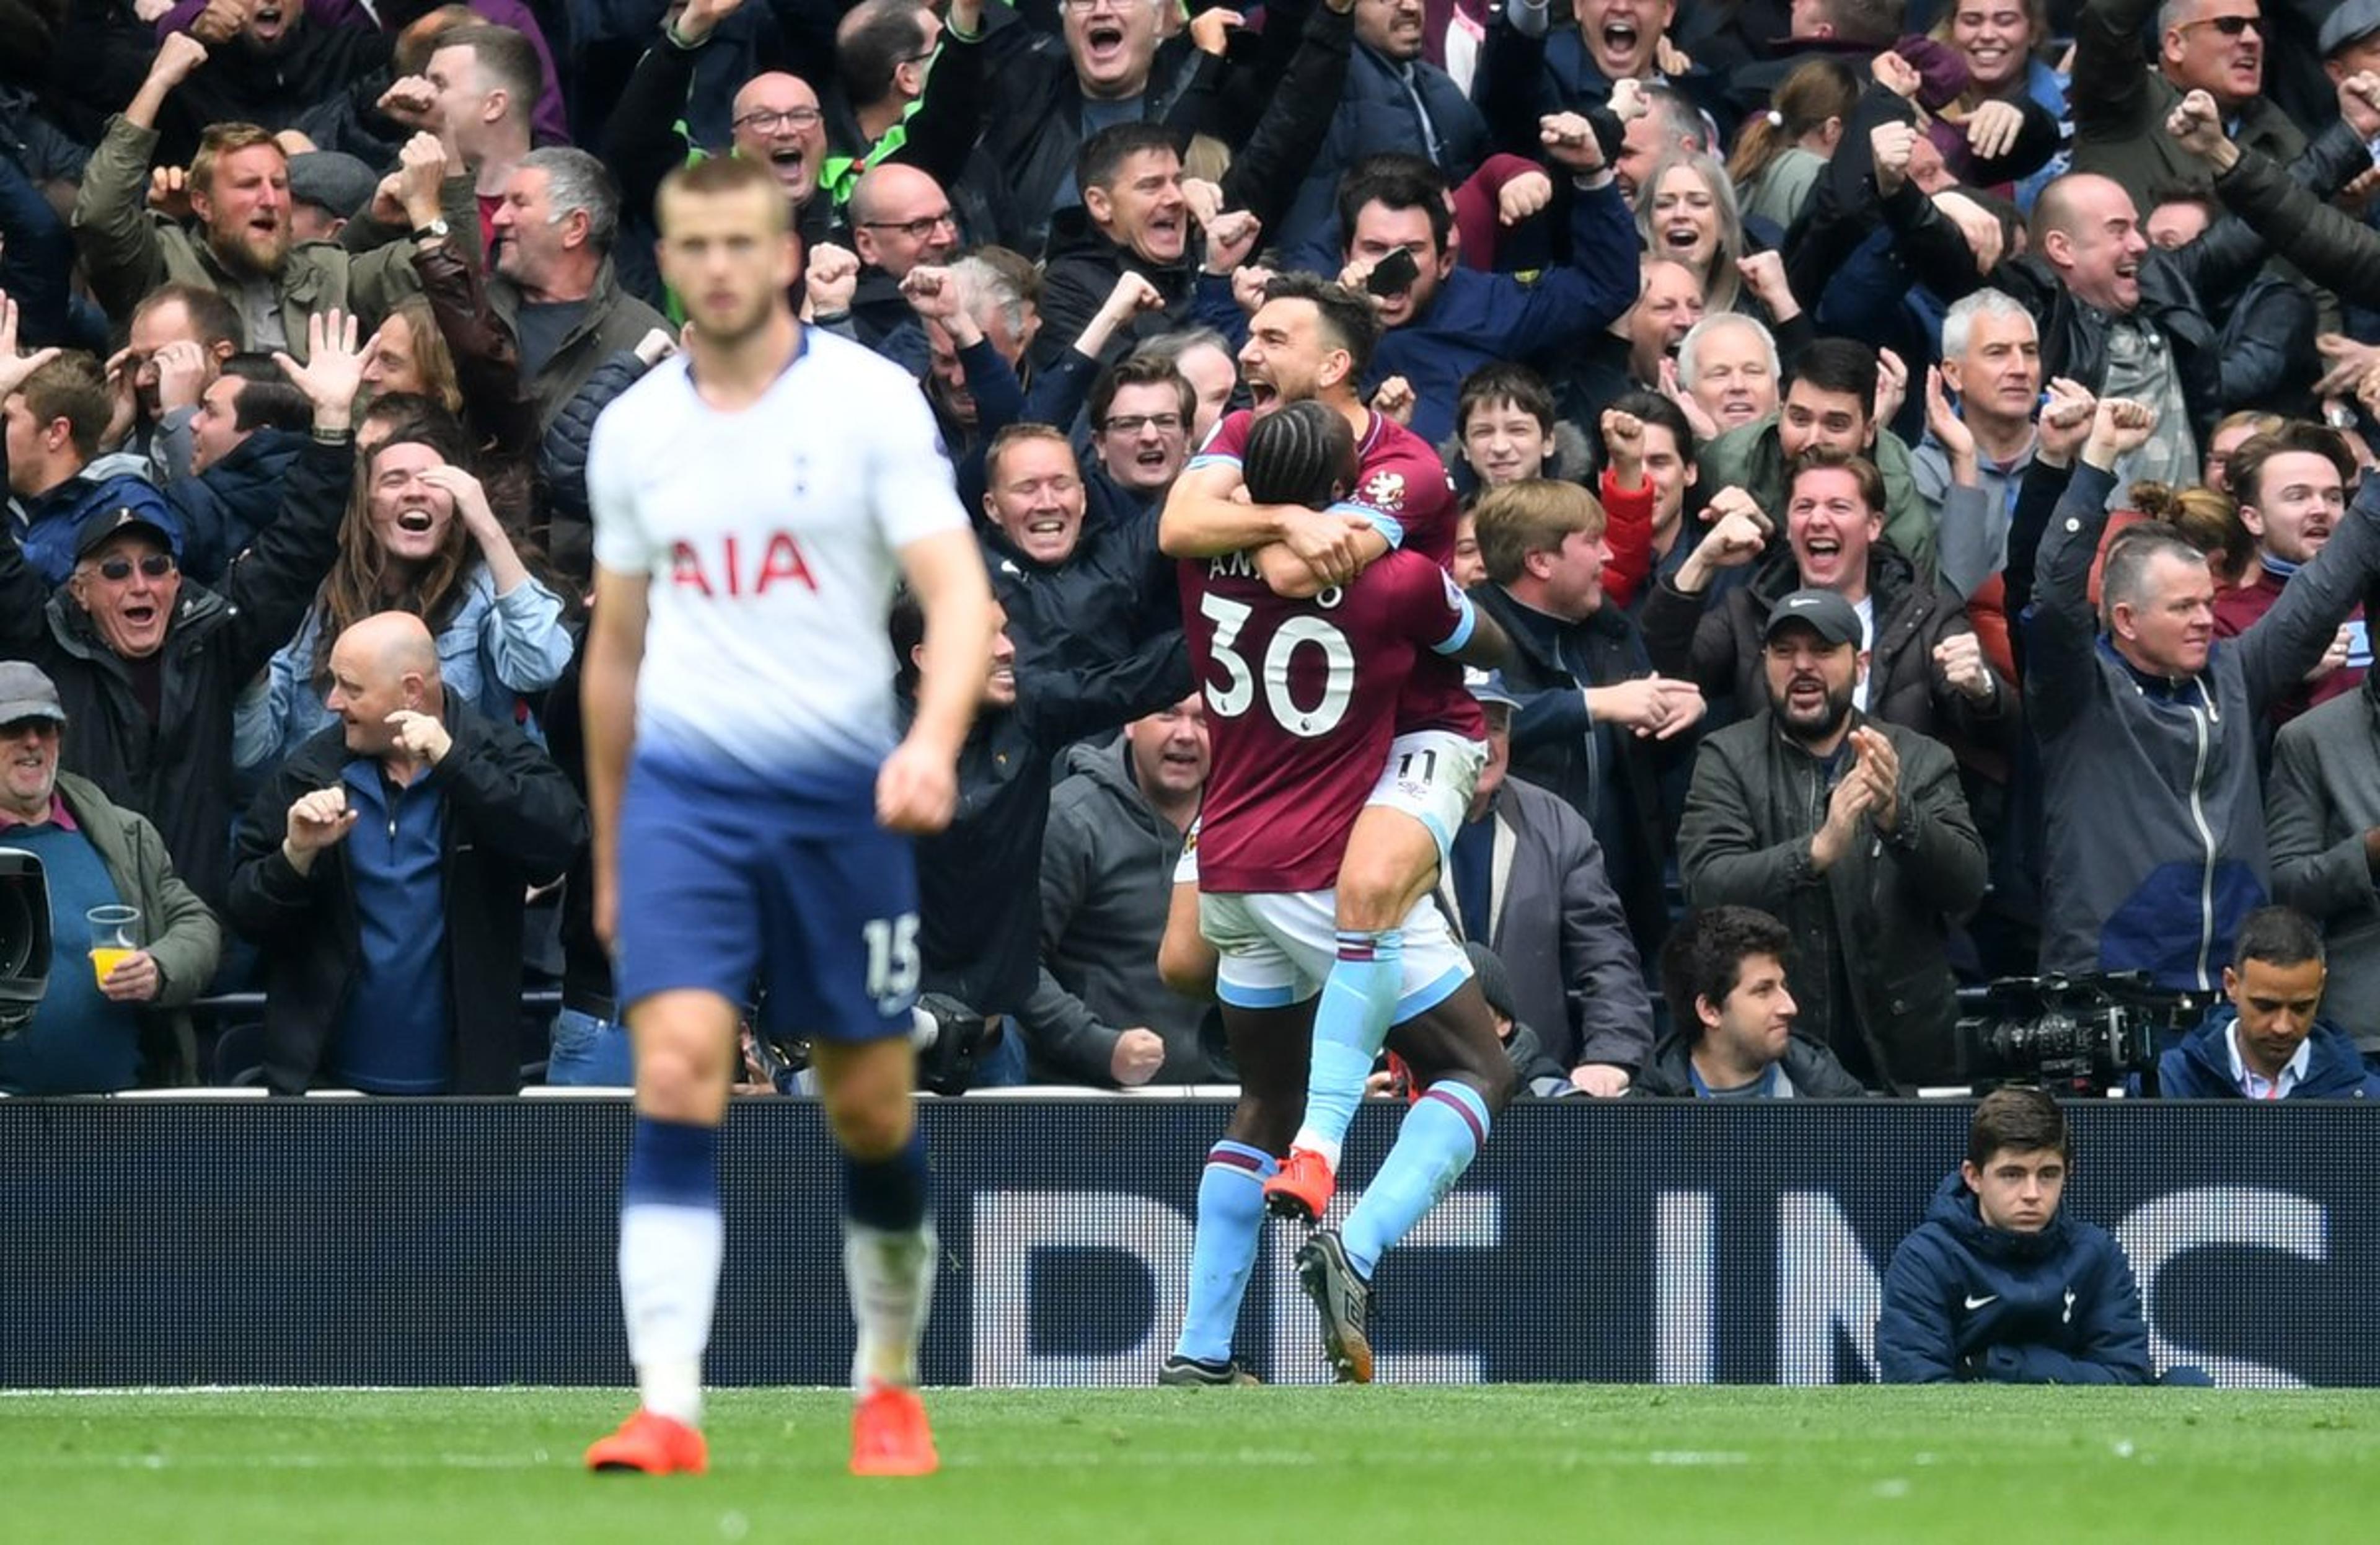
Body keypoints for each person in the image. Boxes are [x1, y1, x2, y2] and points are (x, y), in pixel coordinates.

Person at [578, 154, 995, 1477]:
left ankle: (888, 1381)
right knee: (680, 1069)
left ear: (781, 251)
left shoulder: (872, 401)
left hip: (838, 799)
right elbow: (615, 653)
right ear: (667, 254)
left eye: (739, 242)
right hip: (687, 802)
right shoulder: (633, 427)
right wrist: (610, 839)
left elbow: (960, 593)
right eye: (689, 242)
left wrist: (932, 741)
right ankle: (667, 1405)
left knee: (869, 1107)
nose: (715, 266)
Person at [1166, 399, 1514, 1387]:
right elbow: (1488, 644)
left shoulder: (1197, 567)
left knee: (1260, 1097)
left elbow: (1214, 526)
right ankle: (1352, 1240)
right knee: (1478, 1070)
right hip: (1321, 872)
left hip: (1225, 869)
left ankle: (1200, 1351)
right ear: (1340, 493)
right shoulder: (1394, 581)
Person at [1157, 273, 1492, 1223]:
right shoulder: (1242, 437)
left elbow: (1289, 570)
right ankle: (1207, 1350)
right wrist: (1290, 510)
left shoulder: (1408, 467)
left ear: (1335, 364)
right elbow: (1180, 524)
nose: (1247, 354)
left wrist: (1272, 520)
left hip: (1413, 732)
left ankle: (1322, 1157)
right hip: (1297, 748)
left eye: (1271, 338)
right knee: (1185, 963)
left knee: (1369, 909)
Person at [0, 306, 371, 915]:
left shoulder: (213, 640)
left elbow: (297, 549)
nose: (139, 584)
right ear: (80, 589)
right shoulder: (47, 646)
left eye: (156, 566)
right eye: (115, 570)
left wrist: (332, 422)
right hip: (77, 925)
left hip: (194, 929)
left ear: (178, 580)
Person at [2030, 398, 2380, 991]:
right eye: (2182, 607)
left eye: (2208, 604)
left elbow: (2326, 587)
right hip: (2115, 983)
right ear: (2126, 619)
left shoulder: (2235, 675)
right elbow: (2054, 598)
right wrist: (2097, 462)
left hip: (2232, 990)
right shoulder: (2078, 695)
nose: (2203, 620)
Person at [225, 612, 583, 1095]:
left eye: (351, 689)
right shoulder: (310, 772)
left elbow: (561, 841)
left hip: (465, 1094)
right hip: (326, 1090)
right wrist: (295, 857)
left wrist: (458, 766)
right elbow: (244, 913)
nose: (333, 702)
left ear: (411, 691)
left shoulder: (493, 753)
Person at [1677, 590, 1988, 1090]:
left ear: (1860, 664)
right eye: (1784, 652)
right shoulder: (1728, 757)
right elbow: (1706, 887)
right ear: (1764, 663)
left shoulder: (1918, 757)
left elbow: (1967, 886)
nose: (1802, 666)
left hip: (1907, 1054)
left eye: (1822, 651)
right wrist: (1815, 852)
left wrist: (1896, 816)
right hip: (1782, 1057)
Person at [71, 35, 467, 360]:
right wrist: (158, 82)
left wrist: (442, 146)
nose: (270, 199)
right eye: (248, 185)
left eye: (279, 185)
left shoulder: (329, 274)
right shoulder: (160, 267)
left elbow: (455, 278)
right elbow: (99, 215)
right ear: (202, 204)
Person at [237, 406, 572, 771]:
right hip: (327, 807)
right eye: (395, 480)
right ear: (366, 504)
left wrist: (488, 528)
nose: (415, 492)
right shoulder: (316, 594)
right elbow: (248, 751)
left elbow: (542, 665)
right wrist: (251, 656)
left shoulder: (483, 590)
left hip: (448, 812)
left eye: (434, 482)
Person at [0, 660, 221, 1094]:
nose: (32, 743)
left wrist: (159, 968)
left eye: (45, 728)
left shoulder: (124, 834)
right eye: (13, 729)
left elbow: (197, 925)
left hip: (121, 1111)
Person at [1445, 668, 1653, 1090]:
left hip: (1535, 1086)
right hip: (1412, 1086)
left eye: (1497, 726)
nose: (1486, 744)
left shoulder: (1557, 824)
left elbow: (1606, 954)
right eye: (1466, 724)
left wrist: (1611, 1055)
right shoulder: (1380, 823)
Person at [1876, 1086, 2155, 1384]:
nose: (2032, 1194)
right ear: (1974, 1177)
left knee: (2190, 1382)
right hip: (1969, 1430)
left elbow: (2129, 1378)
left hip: (2077, 1429)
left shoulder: (2096, 1253)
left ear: (2068, 1173)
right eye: (2012, 1175)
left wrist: (2003, 1366)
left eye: (2048, 1174)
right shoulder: (1927, 1257)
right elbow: (1915, 1387)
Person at [1017, 694, 1219, 1086]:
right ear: (1128, 722)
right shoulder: (1070, 821)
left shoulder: (1244, 824)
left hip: (1229, 1101)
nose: (1185, 735)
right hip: (1091, 1104)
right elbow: (1018, 966)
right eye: (1168, 713)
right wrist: (1100, 1047)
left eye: (1205, 720)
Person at [485, 148, 669, 427]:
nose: (498, 218)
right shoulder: (478, 311)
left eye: (519, 204)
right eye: (502, 203)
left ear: (575, 228)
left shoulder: (644, 339)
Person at [2068, 0, 2300, 218]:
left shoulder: (2276, 129)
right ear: (2175, 44)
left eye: (2259, 27)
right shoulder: (2121, 103)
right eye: (2230, 26)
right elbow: (2106, 20)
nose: (2252, 39)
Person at [2268, 649, 2380, 1065]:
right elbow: (2286, 885)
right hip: (2367, 1029)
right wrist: (2366, 854)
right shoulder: (2312, 738)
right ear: (2372, 627)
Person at [2213, 423, 2365, 725]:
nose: (2321, 509)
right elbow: (2229, 738)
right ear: (2253, 518)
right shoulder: (2225, 621)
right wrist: (2290, 679)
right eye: (2298, 497)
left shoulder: (2371, 599)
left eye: (2334, 497)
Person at [1635, 905, 1866, 1098]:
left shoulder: (1832, 1094)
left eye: (1783, 987)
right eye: (1763, 991)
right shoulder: (1645, 1118)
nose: (1790, 1007)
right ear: (1710, 1011)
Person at [2153, 907, 2379, 1099]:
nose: (2283, 1026)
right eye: (2265, 1006)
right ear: (2231, 984)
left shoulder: (2364, 1095)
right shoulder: (2165, 1084)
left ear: (2321, 986)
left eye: (2301, 1008)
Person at [1, 349, 182, 586]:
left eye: (7, 418)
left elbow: (143, 587)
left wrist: (14, 552)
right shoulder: (10, 506)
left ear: (57, 433)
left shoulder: (129, 502)